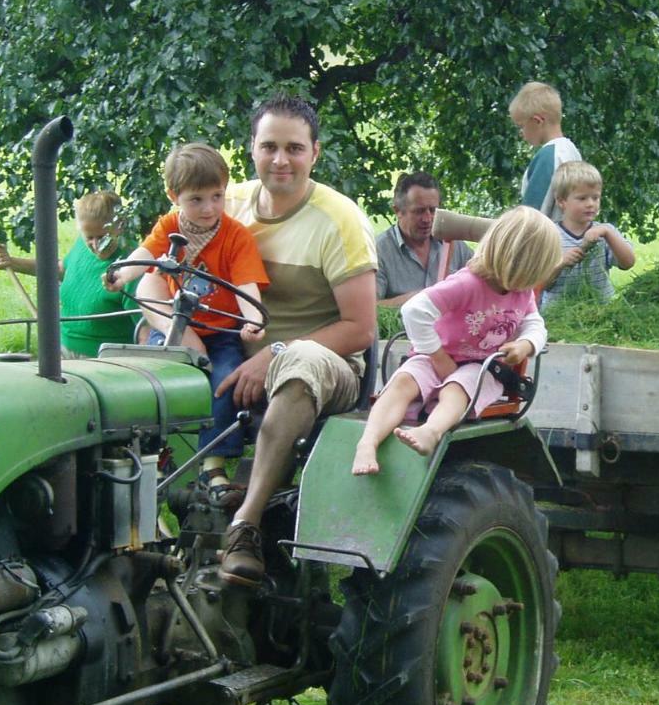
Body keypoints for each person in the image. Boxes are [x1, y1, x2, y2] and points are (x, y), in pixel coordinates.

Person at [214, 96, 377, 587]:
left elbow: (360, 328)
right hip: (230, 353)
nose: (280, 160)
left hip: (329, 364)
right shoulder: (225, 203)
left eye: (294, 148)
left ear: (315, 153)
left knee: (300, 359)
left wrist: (274, 353)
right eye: (269, 146)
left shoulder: (338, 220)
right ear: (251, 150)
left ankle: (246, 522)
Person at [106, 143, 269, 495]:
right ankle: (147, 455)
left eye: (217, 196)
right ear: (174, 195)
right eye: (197, 199)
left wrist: (253, 319)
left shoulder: (235, 236)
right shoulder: (169, 227)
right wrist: (122, 273)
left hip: (218, 334)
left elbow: (246, 284)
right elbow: (146, 253)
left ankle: (213, 464)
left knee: (223, 379)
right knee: (147, 380)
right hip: (172, 330)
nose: (209, 208)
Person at [352, 206, 561, 476]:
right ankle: (367, 443)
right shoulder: (468, 283)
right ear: (518, 263)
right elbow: (414, 311)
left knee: (458, 388)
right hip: (436, 356)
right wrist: (437, 357)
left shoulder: (521, 293)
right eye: (537, 271)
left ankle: (431, 431)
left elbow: (535, 324)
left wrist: (526, 345)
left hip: (481, 366)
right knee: (403, 383)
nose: (536, 281)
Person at [0, 190, 139, 358]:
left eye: (102, 237)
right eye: (89, 237)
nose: (96, 245)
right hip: (63, 348)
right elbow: (62, 270)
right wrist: (12, 262)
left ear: (121, 225)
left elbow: (144, 329)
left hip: (105, 359)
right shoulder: (82, 247)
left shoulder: (132, 265)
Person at [540, 160, 636, 309]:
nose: (591, 204)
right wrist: (560, 264)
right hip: (559, 315)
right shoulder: (549, 235)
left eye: (595, 197)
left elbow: (628, 263)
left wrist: (608, 233)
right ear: (561, 201)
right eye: (582, 198)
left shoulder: (605, 232)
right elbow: (538, 284)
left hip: (601, 311)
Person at [375, 171, 473, 307]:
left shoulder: (453, 244)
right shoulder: (378, 251)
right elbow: (369, 309)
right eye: (419, 211)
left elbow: (484, 283)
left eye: (433, 210)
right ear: (398, 211)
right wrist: (419, 299)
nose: (427, 219)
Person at [509, 81, 582, 221]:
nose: (521, 132)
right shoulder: (571, 150)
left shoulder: (549, 156)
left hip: (547, 240)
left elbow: (532, 216)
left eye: (521, 126)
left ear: (537, 121)